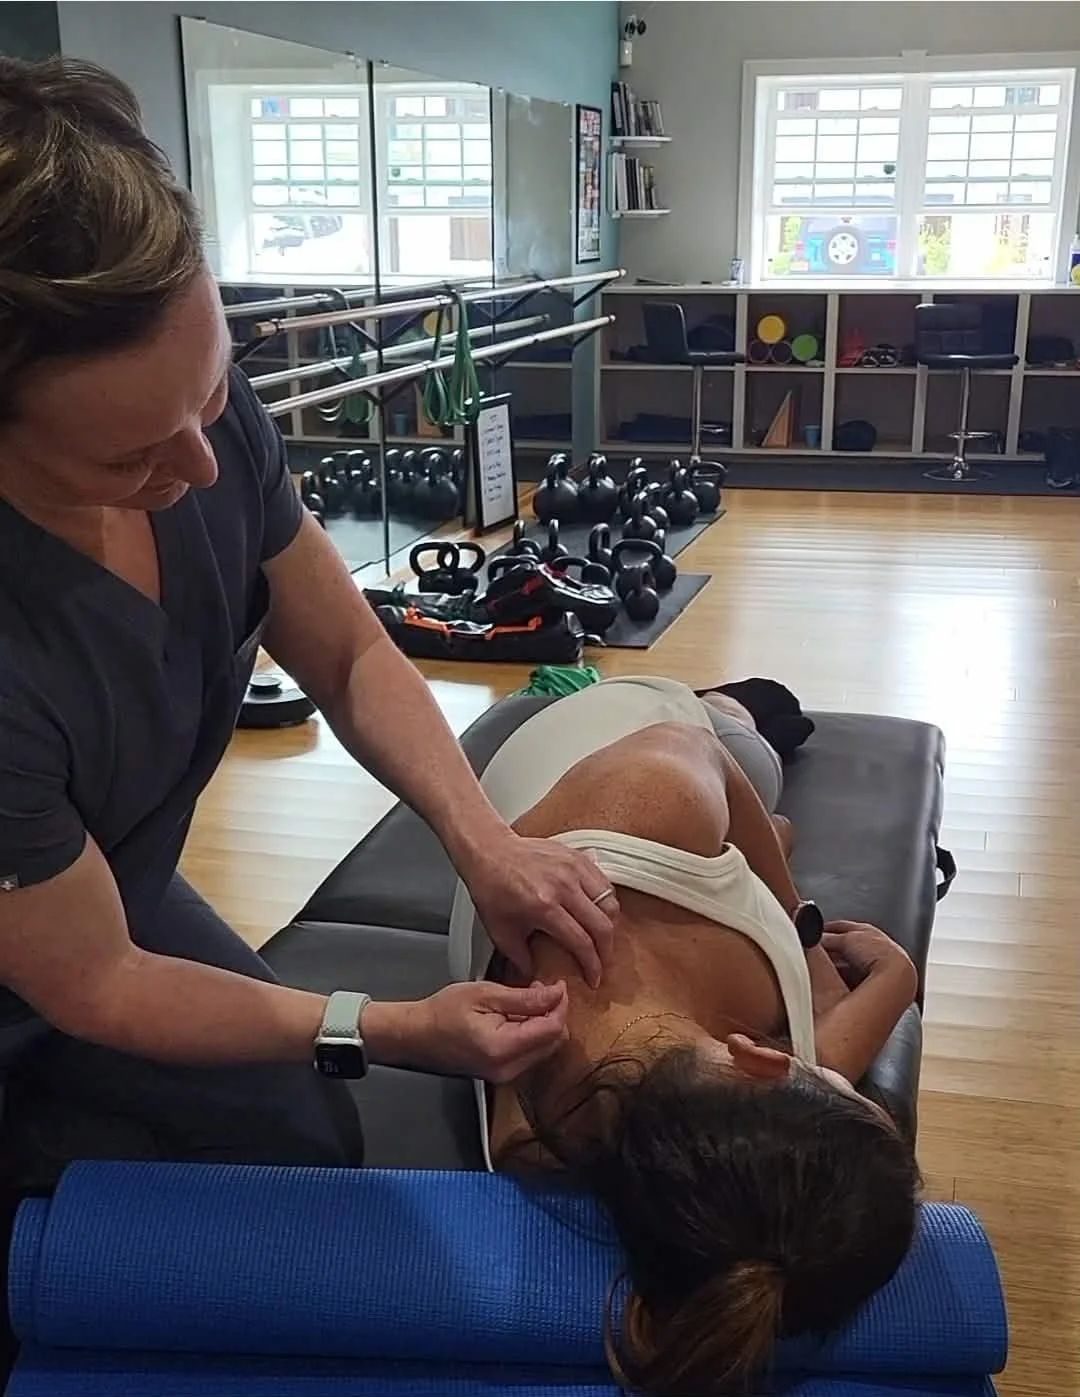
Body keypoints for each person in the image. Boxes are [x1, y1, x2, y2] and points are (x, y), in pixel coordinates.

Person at [0, 55, 619, 1194]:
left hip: (108, 897)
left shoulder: (196, 419)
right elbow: (98, 983)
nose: (202, 466)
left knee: (304, 1140)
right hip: (55, 960)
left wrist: (484, 841)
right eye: (129, 455)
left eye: (210, 394)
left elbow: (348, 649)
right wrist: (391, 1025)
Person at [449, 675, 922, 1397]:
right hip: (689, 840)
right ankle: (758, 829)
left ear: (759, 1061)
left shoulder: (646, 802)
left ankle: (726, 701)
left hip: (623, 726)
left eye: (840, 1089)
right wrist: (897, 978)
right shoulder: (642, 1142)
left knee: (749, 739)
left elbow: (713, 765)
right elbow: (821, 1063)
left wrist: (815, 950)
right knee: (766, 774)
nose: (836, 1069)